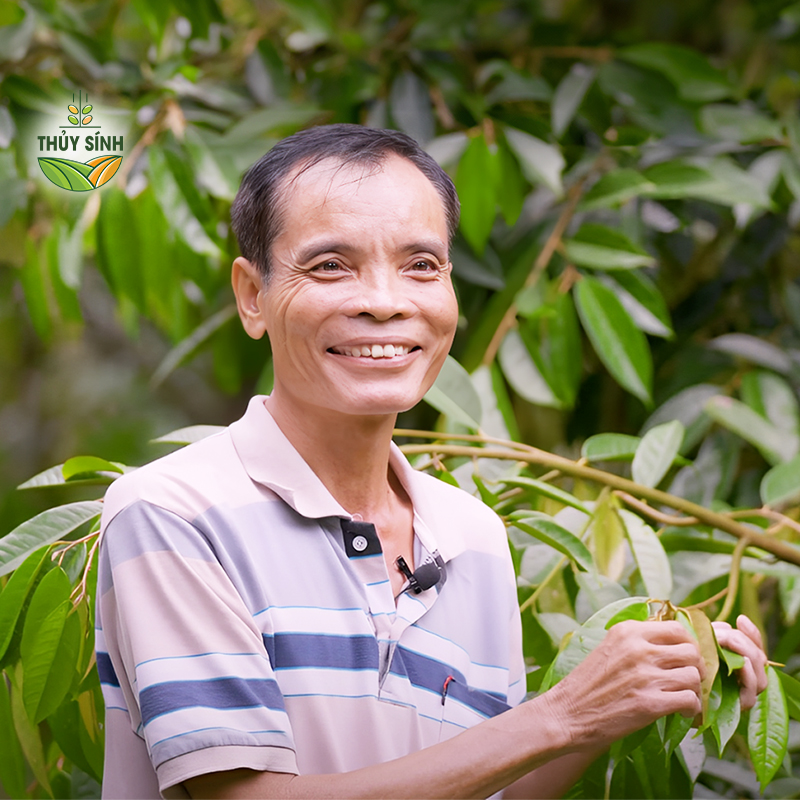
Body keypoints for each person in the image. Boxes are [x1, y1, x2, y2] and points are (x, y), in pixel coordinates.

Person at [95, 124, 768, 800]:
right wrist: (561, 715)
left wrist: (625, 693)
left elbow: (490, 788)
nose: (385, 302)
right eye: (331, 265)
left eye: (421, 265)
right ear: (252, 296)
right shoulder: (173, 512)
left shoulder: (473, 538)